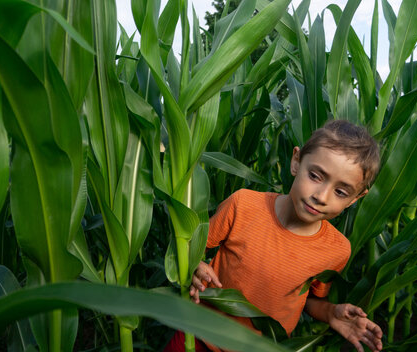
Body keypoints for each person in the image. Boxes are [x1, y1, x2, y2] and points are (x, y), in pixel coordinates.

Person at [164, 120, 383, 352]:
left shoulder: (337, 250)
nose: (322, 196)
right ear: (296, 161)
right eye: (316, 176)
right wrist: (195, 264)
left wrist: (331, 313)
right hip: (197, 334)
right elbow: (188, 247)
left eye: (340, 192)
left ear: (355, 199)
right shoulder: (243, 205)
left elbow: (308, 300)